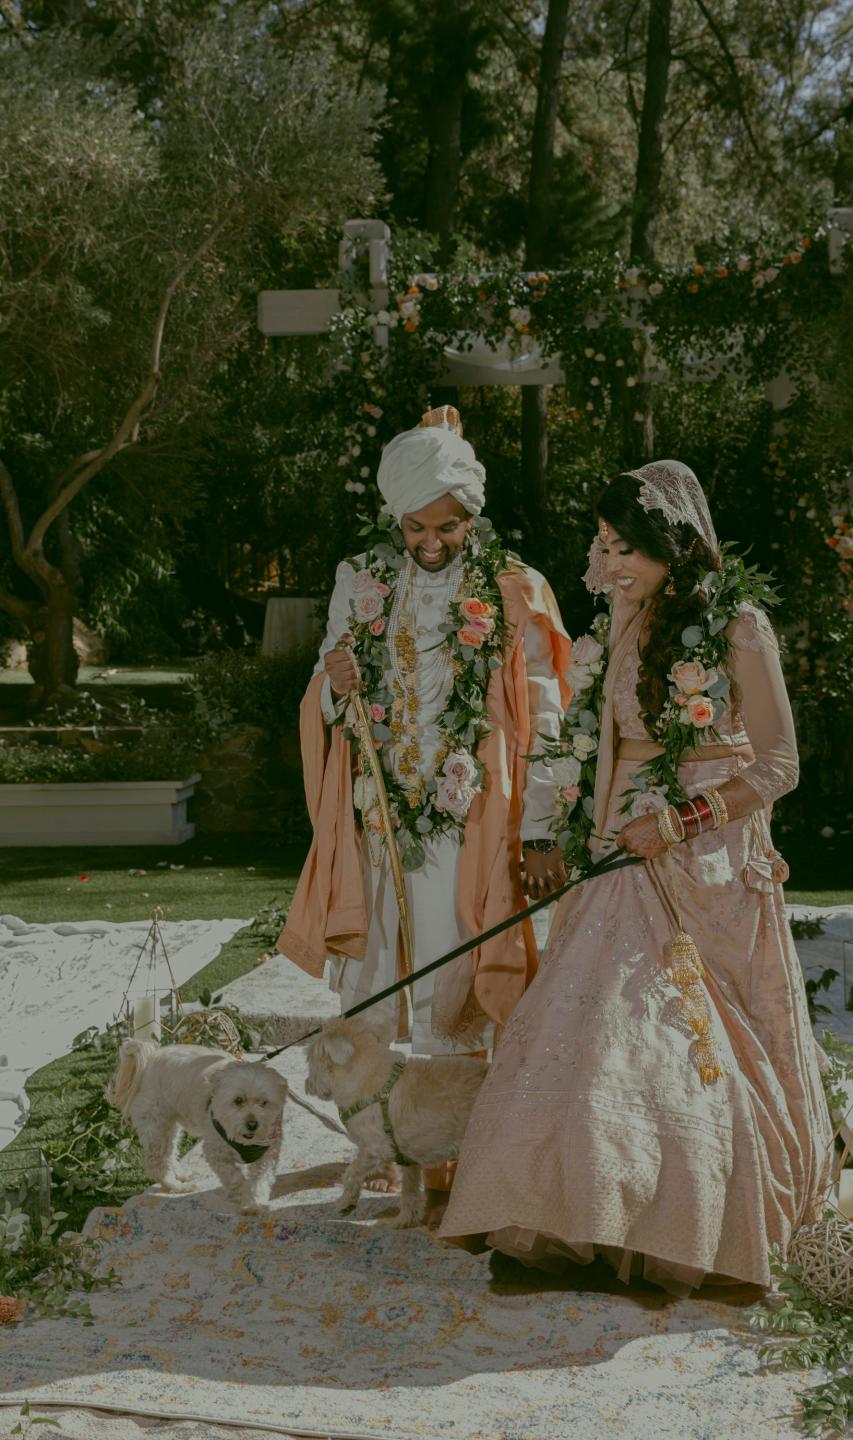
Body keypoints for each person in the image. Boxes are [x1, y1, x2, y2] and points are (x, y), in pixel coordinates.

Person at [439, 461, 833, 1293]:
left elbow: (782, 764)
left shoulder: (739, 626)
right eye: (605, 545)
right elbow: (599, 740)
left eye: (628, 549)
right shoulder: (623, 621)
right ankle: (565, 1218)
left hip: (706, 864)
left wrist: (681, 821)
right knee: (592, 1027)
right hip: (623, 854)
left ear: (673, 546)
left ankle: (684, 1235)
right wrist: (583, 827)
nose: (610, 564)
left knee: (679, 1037)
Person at [278, 405, 572, 1187]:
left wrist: (541, 829)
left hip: (471, 821)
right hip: (380, 817)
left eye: (448, 528)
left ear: (472, 516)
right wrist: (335, 686)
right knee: (377, 973)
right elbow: (330, 686)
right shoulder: (360, 581)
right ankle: (380, 1141)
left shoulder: (516, 590)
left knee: (457, 972)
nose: (432, 544)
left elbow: (549, 721)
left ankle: (456, 1152)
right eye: (415, 529)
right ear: (395, 520)